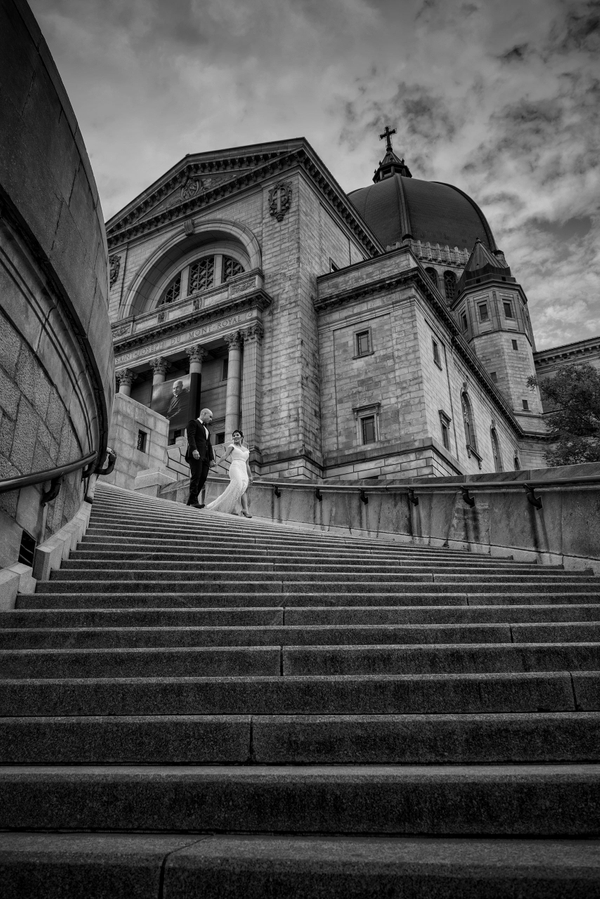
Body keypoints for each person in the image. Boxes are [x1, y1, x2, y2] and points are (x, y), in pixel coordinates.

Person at [206, 429, 253, 517]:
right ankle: (231, 507)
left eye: (237, 435)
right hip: (235, 467)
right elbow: (225, 455)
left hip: (243, 468)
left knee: (243, 488)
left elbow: (247, 464)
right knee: (238, 484)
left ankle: (245, 509)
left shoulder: (247, 450)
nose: (235, 437)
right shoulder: (232, 446)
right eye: (234, 435)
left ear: (242, 437)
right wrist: (217, 463)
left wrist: (250, 476)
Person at [185, 408, 215, 508]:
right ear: (204, 413)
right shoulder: (193, 423)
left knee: (203, 477)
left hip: (205, 457)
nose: (211, 419)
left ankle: (191, 499)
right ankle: (194, 501)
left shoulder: (206, 429)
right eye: (210, 416)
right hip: (196, 454)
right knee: (196, 476)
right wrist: (194, 449)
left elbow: (209, 444)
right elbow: (191, 436)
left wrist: (211, 458)